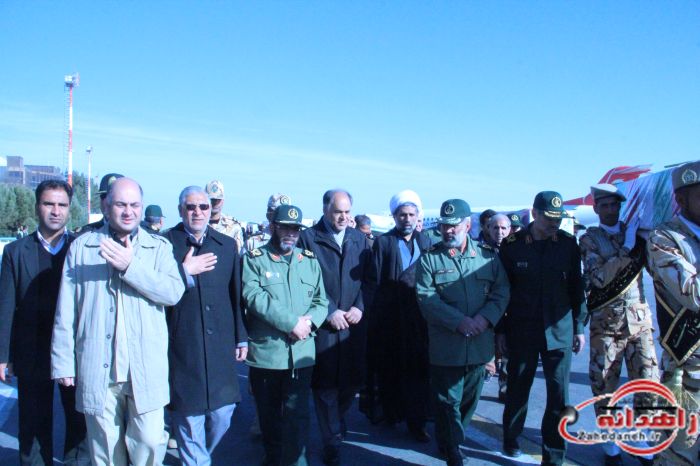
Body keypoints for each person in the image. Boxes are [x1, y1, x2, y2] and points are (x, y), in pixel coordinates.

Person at [51, 177, 185, 466]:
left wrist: (130, 266)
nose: (128, 211)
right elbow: (66, 309)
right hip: (98, 365)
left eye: (134, 205)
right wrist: (63, 362)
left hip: (145, 367)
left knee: (150, 441)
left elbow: (173, 292)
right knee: (105, 449)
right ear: (106, 207)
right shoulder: (83, 247)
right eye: (121, 204)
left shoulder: (158, 248)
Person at [0, 180, 89, 466]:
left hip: (74, 352)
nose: (56, 211)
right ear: (37, 206)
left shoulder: (82, 249)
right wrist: (3, 356)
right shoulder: (15, 252)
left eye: (62, 205)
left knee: (79, 424)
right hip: (31, 351)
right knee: (33, 425)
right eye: (49, 204)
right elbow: (6, 307)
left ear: (69, 209)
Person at [416, 199, 509, 466]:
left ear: (467, 225)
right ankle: (453, 448)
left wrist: (484, 319)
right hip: (447, 345)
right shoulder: (430, 259)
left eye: (454, 226)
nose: (448, 231)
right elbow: (426, 298)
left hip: (479, 344)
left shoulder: (487, 257)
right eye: (444, 226)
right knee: (447, 402)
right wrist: (459, 322)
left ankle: (448, 440)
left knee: (469, 400)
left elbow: (501, 291)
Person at [496, 191, 587, 466]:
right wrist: (500, 330)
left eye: (558, 219)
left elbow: (577, 288)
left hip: (559, 331)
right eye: (549, 218)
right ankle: (511, 437)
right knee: (517, 389)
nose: (554, 224)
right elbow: (501, 291)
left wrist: (579, 326)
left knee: (559, 396)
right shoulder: (511, 246)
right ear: (534, 214)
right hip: (522, 330)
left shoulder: (568, 245)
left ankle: (554, 455)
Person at [163, 186, 248, 465]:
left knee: (223, 415)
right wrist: (183, 272)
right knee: (189, 418)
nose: (197, 212)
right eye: (191, 207)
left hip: (220, 346)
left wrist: (241, 337)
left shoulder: (226, 245)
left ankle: (199, 458)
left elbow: (236, 295)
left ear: (210, 210)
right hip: (183, 346)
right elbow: (155, 290)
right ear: (180, 211)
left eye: (203, 207)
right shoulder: (164, 245)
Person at [243, 204, 328, 466]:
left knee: (298, 417)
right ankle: (273, 459)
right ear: (273, 227)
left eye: (295, 229)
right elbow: (253, 296)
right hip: (268, 355)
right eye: (285, 228)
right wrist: (292, 323)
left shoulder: (309, 261)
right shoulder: (255, 259)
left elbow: (321, 301)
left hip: (301, 354)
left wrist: (308, 324)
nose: (291, 233)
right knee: (269, 419)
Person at [579, 183, 658, 466]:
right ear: (596, 208)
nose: (611, 210)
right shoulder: (589, 239)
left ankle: (642, 439)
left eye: (615, 205)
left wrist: (647, 240)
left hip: (639, 323)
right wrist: (627, 248)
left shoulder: (634, 232)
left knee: (649, 383)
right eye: (605, 205)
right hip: (606, 327)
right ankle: (611, 443)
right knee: (604, 387)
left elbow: (654, 268)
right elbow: (599, 277)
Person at [298, 189, 371, 466]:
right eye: (338, 211)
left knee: (350, 384)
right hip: (324, 327)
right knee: (325, 387)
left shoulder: (359, 239)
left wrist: (359, 307)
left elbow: (369, 279)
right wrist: (329, 310)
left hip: (353, 325)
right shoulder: (309, 238)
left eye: (347, 211)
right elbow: (304, 281)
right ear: (325, 210)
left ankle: (335, 424)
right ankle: (331, 441)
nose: (343, 217)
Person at [365, 189, 433, 442]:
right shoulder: (384, 242)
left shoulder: (425, 241)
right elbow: (375, 281)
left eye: (411, 214)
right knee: (390, 368)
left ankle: (417, 422)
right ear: (394, 216)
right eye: (402, 215)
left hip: (420, 319)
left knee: (418, 372)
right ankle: (391, 413)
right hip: (391, 319)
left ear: (418, 216)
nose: (407, 219)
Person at [647, 161, 700, 466]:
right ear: (681, 200)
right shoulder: (665, 238)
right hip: (688, 366)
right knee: (681, 452)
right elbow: (693, 294)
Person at [205, 180, 245, 253]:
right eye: (212, 200)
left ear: (223, 200)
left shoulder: (234, 226)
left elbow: (238, 254)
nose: (215, 203)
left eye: (218, 200)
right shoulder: (198, 224)